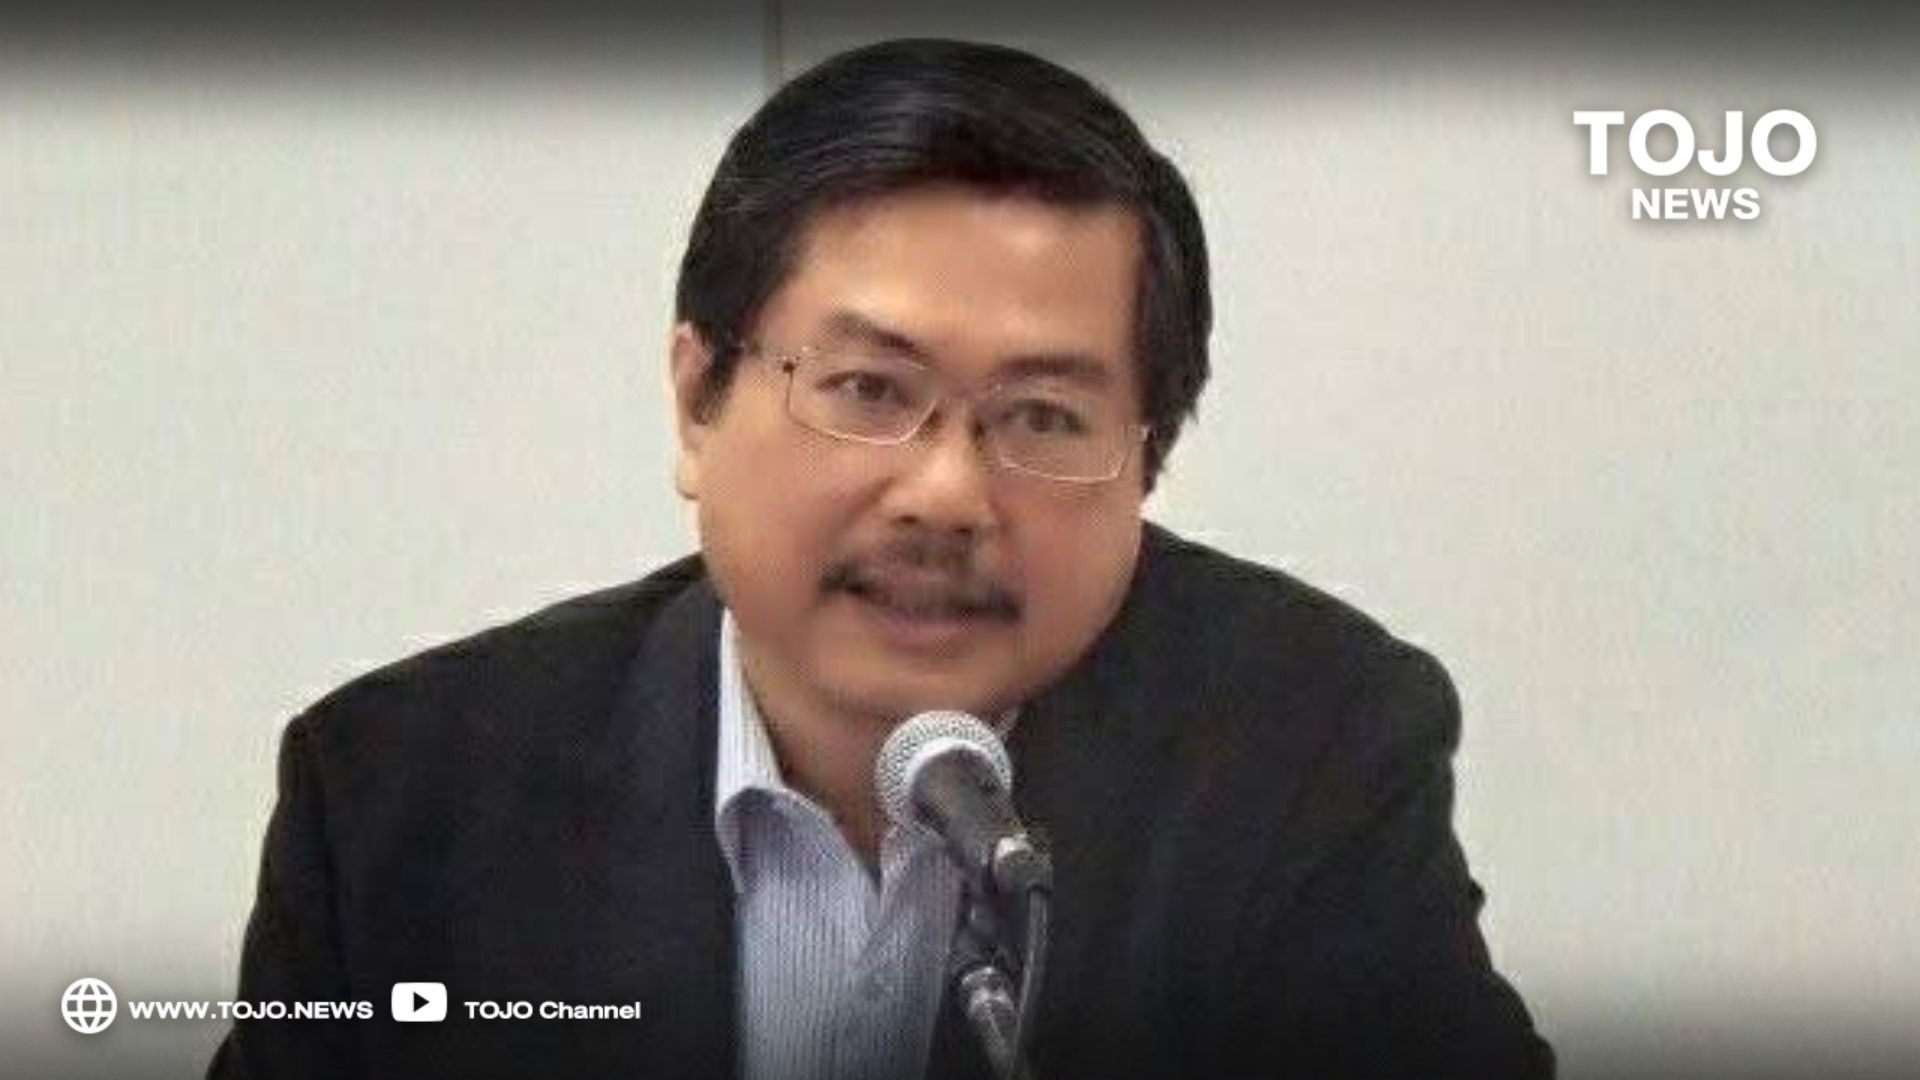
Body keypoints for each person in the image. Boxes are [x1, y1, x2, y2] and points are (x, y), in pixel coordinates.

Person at [209, 38, 1554, 1080]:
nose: (947, 492)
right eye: (867, 389)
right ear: (697, 401)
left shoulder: (1305, 760)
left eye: (1044, 418)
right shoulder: (405, 799)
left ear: (1147, 466)